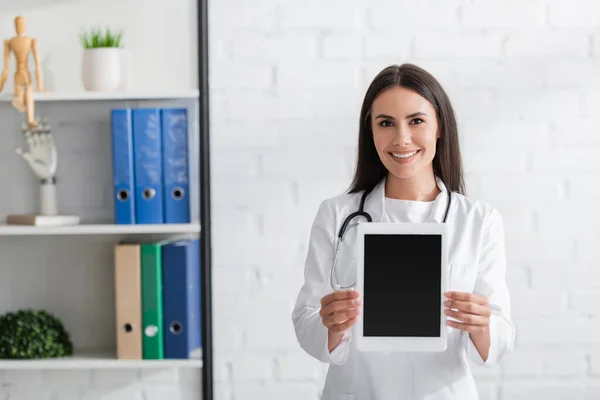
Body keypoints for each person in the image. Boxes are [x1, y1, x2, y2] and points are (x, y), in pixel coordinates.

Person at [291, 63, 515, 400]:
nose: (401, 139)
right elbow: (306, 322)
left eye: (416, 121)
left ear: (439, 127)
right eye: (386, 123)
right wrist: (330, 324)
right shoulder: (337, 215)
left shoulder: (478, 220)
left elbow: (499, 342)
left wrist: (481, 324)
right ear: (371, 132)